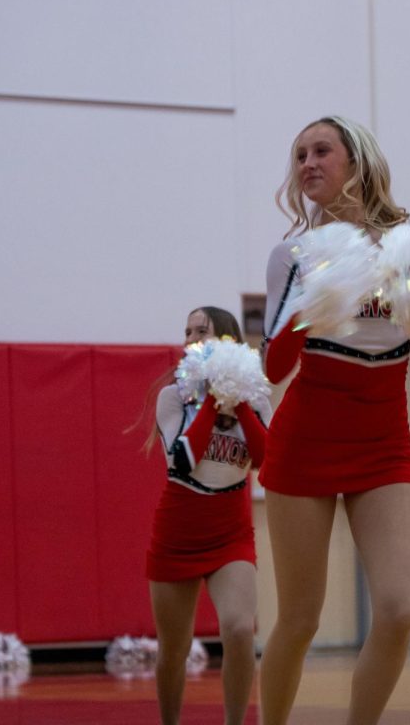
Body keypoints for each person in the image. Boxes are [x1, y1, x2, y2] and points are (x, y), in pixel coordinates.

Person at [258, 116, 410, 725]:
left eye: (322, 151)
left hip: (383, 444)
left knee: (398, 612)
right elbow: (273, 366)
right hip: (304, 443)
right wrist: (308, 292)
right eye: (299, 156)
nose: (308, 163)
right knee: (299, 620)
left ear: (358, 161)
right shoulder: (291, 253)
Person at [140, 306, 270, 725]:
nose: (192, 338)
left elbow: (265, 460)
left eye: (203, 331)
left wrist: (240, 402)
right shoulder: (172, 397)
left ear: (228, 341)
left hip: (231, 533)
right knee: (173, 651)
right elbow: (182, 460)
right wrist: (214, 400)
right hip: (178, 532)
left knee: (237, 630)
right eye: (188, 332)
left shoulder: (258, 399)